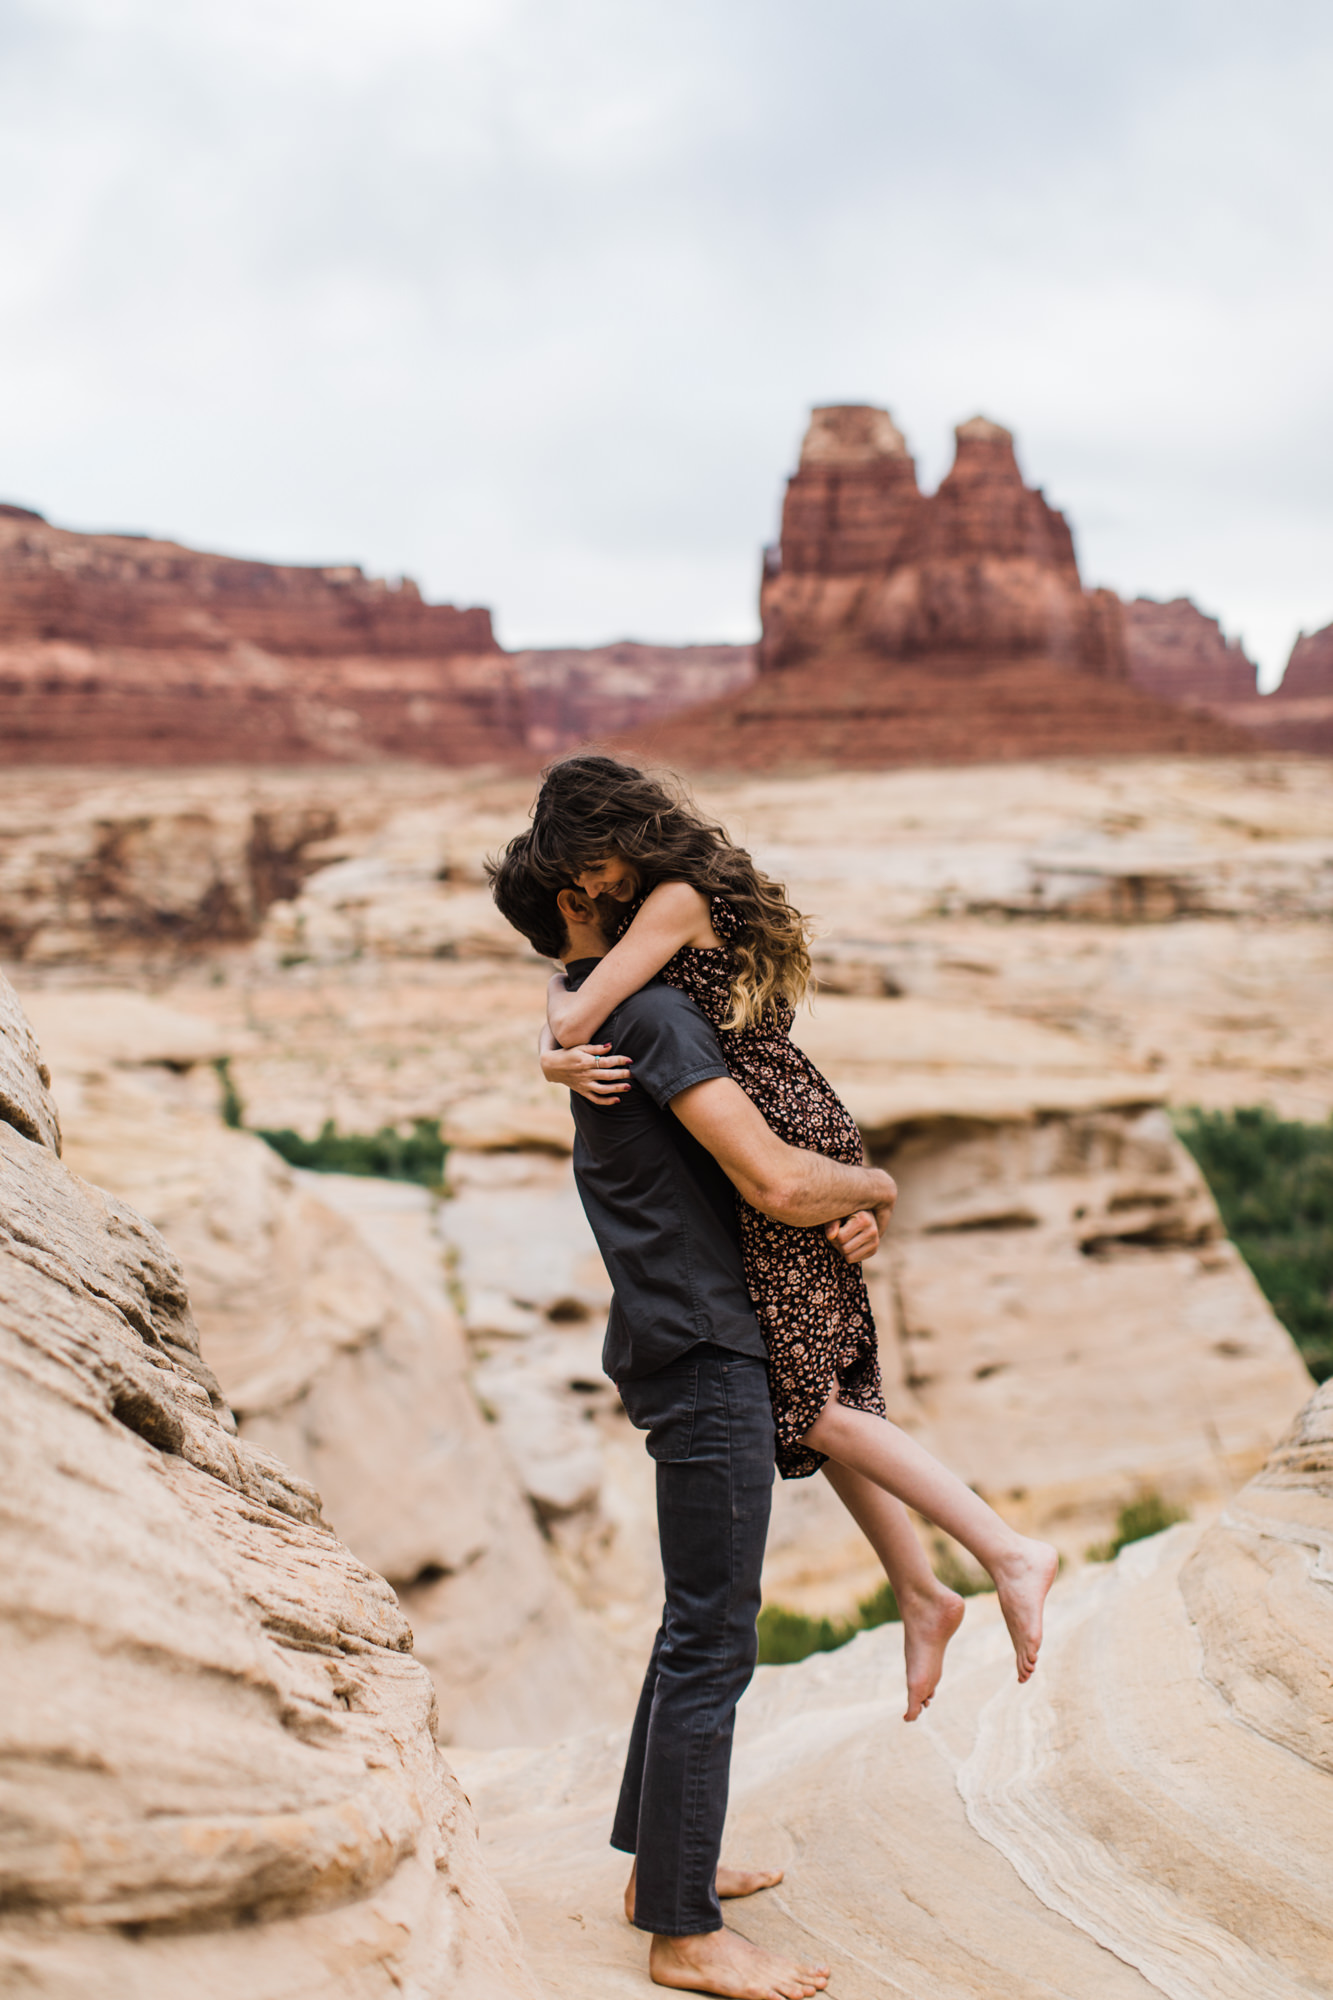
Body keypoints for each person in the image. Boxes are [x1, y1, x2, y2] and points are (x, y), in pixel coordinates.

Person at [527, 754, 1058, 1711]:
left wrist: (549, 1051)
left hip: (772, 1127)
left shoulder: (674, 899)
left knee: (805, 1404)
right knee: (824, 1384)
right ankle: (920, 1591)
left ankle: (1005, 1551)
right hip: (794, 1107)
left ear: (621, 833)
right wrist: (557, 1040)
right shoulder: (694, 889)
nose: (595, 884)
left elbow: (581, 1006)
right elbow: (587, 998)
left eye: (594, 864)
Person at [489, 835, 900, 2000]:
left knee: (693, 1616)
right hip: (709, 1349)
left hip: (679, 1335)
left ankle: (655, 1866)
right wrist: (869, 1186)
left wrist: (548, 1040)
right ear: (601, 900)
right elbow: (771, 1179)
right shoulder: (661, 1022)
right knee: (716, 1633)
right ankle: (683, 1930)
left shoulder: (599, 1016)